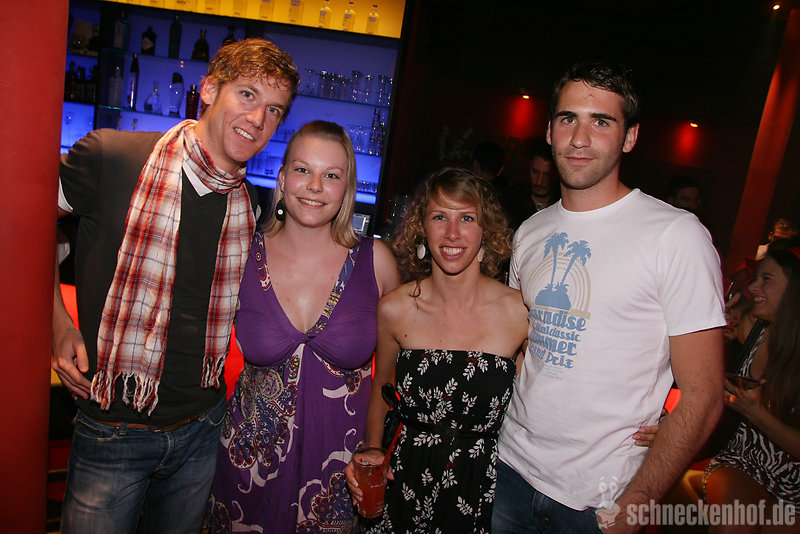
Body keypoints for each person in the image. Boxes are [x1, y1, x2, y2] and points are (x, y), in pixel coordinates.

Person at [51, 38, 299, 534]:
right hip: (112, 426)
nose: (258, 119)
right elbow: (26, 229)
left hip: (202, 429)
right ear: (208, 90)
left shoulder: (251, 205)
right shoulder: (110, 156)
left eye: (274, 110)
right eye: (247, 95)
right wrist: (55, 322)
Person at [493, 59, 726, 534]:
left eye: (601, 122)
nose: (580, 139)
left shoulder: (676, 236)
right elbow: (522, 348)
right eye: (568, 119)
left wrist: (634, 507)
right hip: (508, 471)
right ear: (549, 131)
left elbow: (704, 395)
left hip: (599, 501)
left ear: (630, 137)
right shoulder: (531, 232)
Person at [207, 120, 400, 533]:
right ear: (281, 177)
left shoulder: (377, 262)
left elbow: (392, 375)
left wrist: (374, 447)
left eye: (331, 175)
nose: (315, 186)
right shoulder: (242, 252)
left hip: (341, 474)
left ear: (347, 189)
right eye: (302, 170)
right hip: (248, 468)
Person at [345, 167, 530, 533]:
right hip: (405, 475)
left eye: (467, 218)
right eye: (439, 217)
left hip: (482, 483)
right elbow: (383, 388)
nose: (452, 233)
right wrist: (373, 449)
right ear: (422, 227)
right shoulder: (395, 308)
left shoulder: (519, 312)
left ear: (486, 229)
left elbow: (544, 394)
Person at [704, 246, 800, 533]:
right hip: (743, 461)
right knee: (736, 525)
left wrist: (756, 413)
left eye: (765, 279)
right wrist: (714, 324)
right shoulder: (753, 327)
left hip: (795, 481)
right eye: (755, 278)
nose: (752, 287)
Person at [526, 137, 559, 214]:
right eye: (535, 172)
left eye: (547, 175)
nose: (539, 182)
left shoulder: (563, 208)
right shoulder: (511, 202)